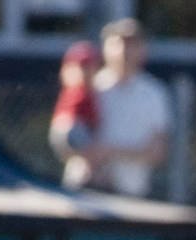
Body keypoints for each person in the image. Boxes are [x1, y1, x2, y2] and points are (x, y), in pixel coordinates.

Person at [88, 18, 172, 198]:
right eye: (117, 44)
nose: (123, 51)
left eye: (131, 45)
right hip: (88, 191)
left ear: (143, 50)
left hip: (131, 192)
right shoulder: (90, 88)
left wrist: (111, 151)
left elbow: (157, 152)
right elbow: (70, 138)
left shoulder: (154, 94)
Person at [48, 40, 101, 189]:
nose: (84, 72)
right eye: (80, 67)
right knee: (85, 160)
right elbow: (70, 125)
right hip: (71, 130)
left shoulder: (90, 91)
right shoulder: (77, 92)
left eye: (88, 67)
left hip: (72, 131)